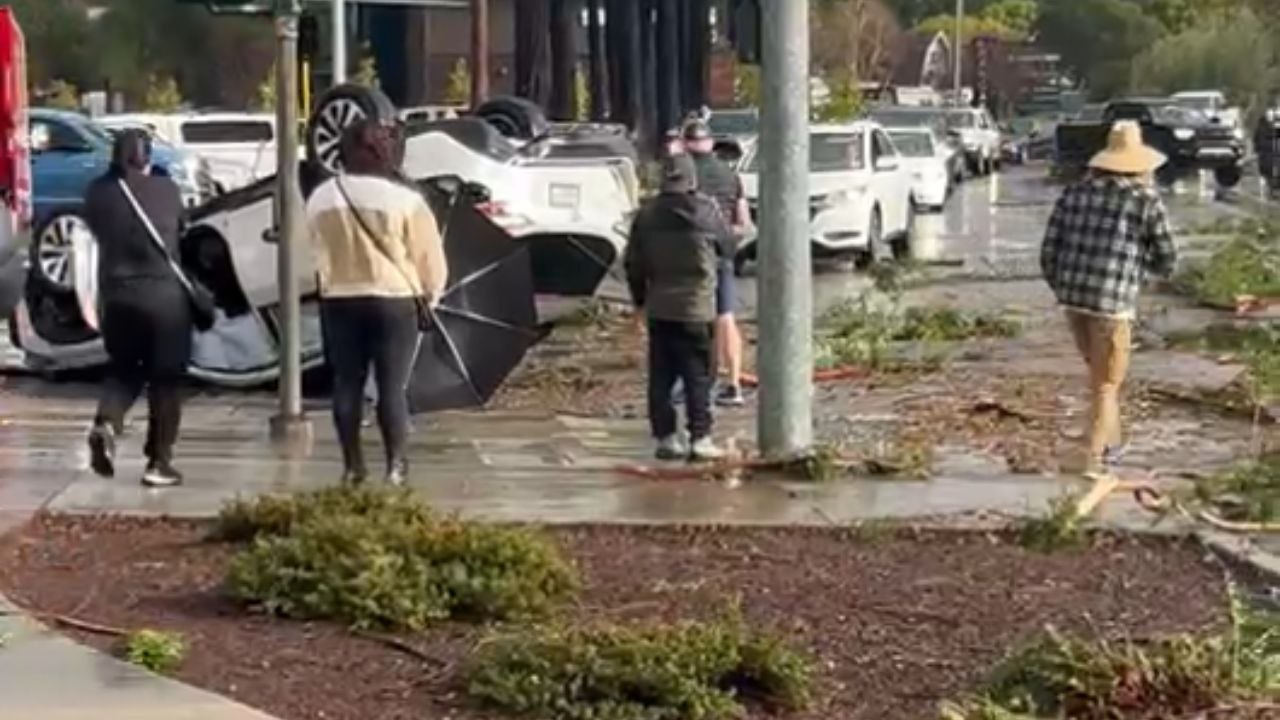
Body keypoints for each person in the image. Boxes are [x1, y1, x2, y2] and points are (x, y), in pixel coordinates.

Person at [306, 119, 447, 486]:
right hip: (394, 301)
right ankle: (396, 465)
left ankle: (353, 465)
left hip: (339, 300)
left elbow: (312, 251)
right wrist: (430, 295)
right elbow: (430, 259)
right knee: (391, 387)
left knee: (346, 383)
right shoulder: (405, 200)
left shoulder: (322, 197)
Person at [1041, 121, 1177, 478]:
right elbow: (1167, 257)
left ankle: (1112, 445)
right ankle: (1092, 458)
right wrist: (1141, 274)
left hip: (1073, 300)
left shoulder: (1075, 193)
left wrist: (1063, 287)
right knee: (1107, 383)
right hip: (1111, 304)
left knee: (1098, 377)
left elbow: (1049, 250)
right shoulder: (1143, 200)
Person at [84, 129, 192, 487]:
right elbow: (182, 232)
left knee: (125, 370)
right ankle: (159, 463)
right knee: (166, 381)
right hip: (166, 301)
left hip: (118, 298)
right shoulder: (168, 191)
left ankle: (106, 423)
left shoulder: (98, 194)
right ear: (147, 156)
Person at [626, 154, 733, 462]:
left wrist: (639, 304)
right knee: (698, 375)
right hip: (698, 307)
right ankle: (700, 437)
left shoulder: (646, 215)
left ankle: (666, 438)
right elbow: (728, 248)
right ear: (692, 179)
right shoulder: (706, 211)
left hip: (660, 307)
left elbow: (634, 265)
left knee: (660, 376)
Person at [682, 119, 749, 407]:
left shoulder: (682, 174)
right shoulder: (730, 175)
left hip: (691, 256)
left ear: (686, 144)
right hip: (722, 255)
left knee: (691, 319)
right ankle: (733, 385)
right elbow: (744, 223)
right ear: (710, 143)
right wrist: (726, 238)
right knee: (726, 317)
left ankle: (695, 384)